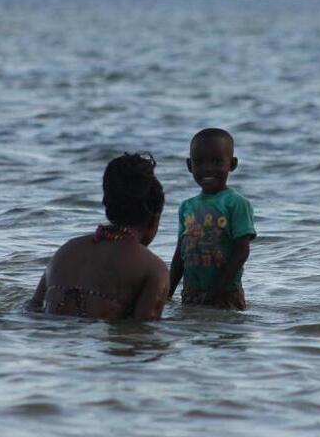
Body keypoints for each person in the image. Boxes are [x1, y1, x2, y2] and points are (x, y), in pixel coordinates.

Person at [27, 153, 169, 321]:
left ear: (107, 205)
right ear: (155, 217)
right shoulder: (153, 268)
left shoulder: (65, 251)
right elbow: (145, 331)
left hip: (54, 341)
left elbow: (32, 309)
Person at [169, 128, 256, 310]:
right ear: (189, 165)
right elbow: (180, 254)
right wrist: (166, 294)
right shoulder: (187, 207)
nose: (207, 168)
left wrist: (218, 289)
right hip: (191, 294)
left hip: (226, 295)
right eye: (199, 162)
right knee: (192, 335)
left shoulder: (236, 204)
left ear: (232, 164)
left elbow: (241, 252)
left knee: (224, 334)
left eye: (217, 162)